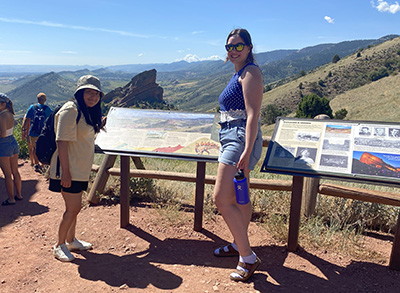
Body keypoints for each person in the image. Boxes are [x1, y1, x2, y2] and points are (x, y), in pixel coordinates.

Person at [212, 28, 263, 282]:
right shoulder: (240, 73)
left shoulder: (251, 72)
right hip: (231, 136)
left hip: (239, 138)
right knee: (240, 198)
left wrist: (246, 148)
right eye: (229, 47)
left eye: (238, 46)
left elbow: (253, 114)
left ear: (249, 47)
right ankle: (237, 243)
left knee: (221, 198)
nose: (233, 51)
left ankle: (248, 257)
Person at [50, 75, 104, 262]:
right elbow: (61, 141)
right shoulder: (71, 109)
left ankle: (71, 240)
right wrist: (66, 172)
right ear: (80, 92)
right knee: (72, 209)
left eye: (96, 93)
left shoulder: (85, 111)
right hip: (69, 168)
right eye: (89, 92)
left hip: (79, 168)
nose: (93, 96)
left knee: (75, 207)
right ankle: (59, 245)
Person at [0, 93, 22, 206]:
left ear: (3, 104)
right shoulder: (10, 114)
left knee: (7, 175)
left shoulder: (1, 116)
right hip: (13, 142)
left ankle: (11, 199)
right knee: (15, 172)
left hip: (3, 145)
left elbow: (2, 134)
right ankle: (19, 194)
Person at [22, 92, 52, 172]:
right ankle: (44, 164)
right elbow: (51, 119)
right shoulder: (47, 109)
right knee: (44, 148)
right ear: (44, 100)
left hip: (33, 132)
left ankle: (36, 164)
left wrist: (24, 130)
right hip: (43, 133)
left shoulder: (32, 107)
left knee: (34, 148)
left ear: (37, 99)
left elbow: (27, 119)